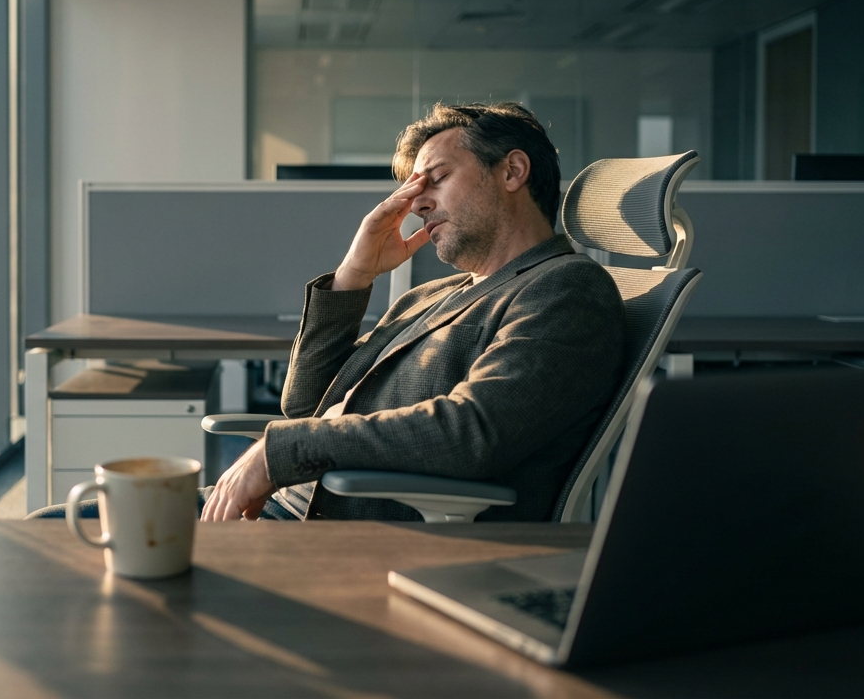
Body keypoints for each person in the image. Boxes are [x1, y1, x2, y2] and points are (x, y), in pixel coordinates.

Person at [200, 101, 625, 522]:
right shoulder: (428, 297)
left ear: (512, 171)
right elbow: (306, 404)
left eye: (437, 179)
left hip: (341, 530)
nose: (418, 205)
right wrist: (354, 275)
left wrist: (284, 450)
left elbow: (471, 433)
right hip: (286, 507)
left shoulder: (567, 289)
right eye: (415, 190)